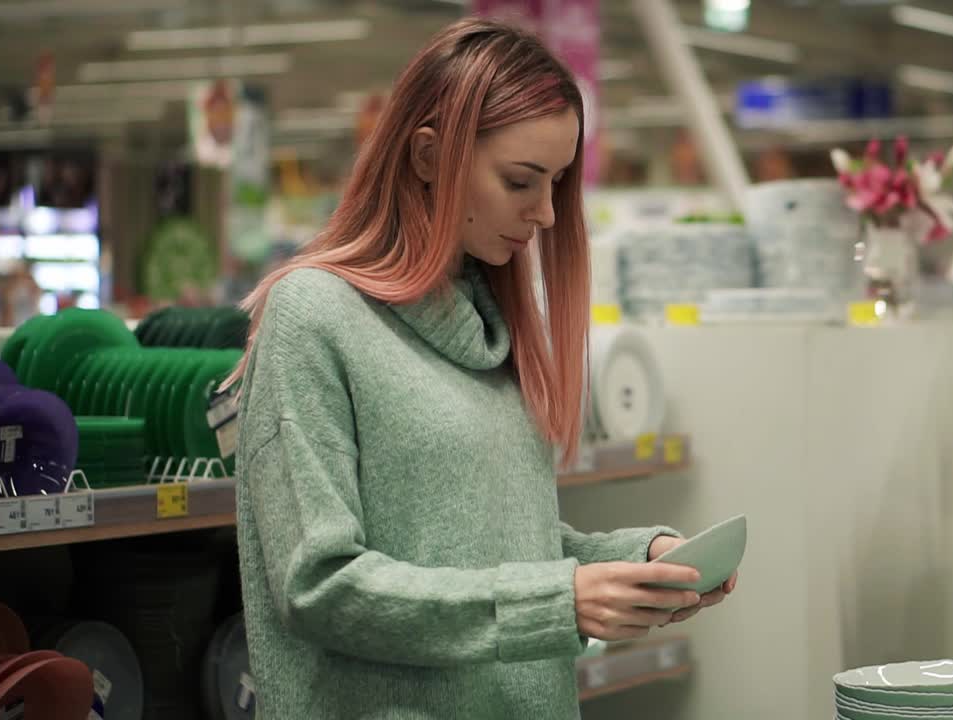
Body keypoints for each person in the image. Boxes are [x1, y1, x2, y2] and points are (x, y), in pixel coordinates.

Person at [227, 17, 737, 720]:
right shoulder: (314, 317)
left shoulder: (493, 324)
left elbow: (483, 541)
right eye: (521, 180)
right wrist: (559, 603)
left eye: (558, 183)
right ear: (430, 155)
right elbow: (319, 585)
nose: (548, 214)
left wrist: (631, 558)